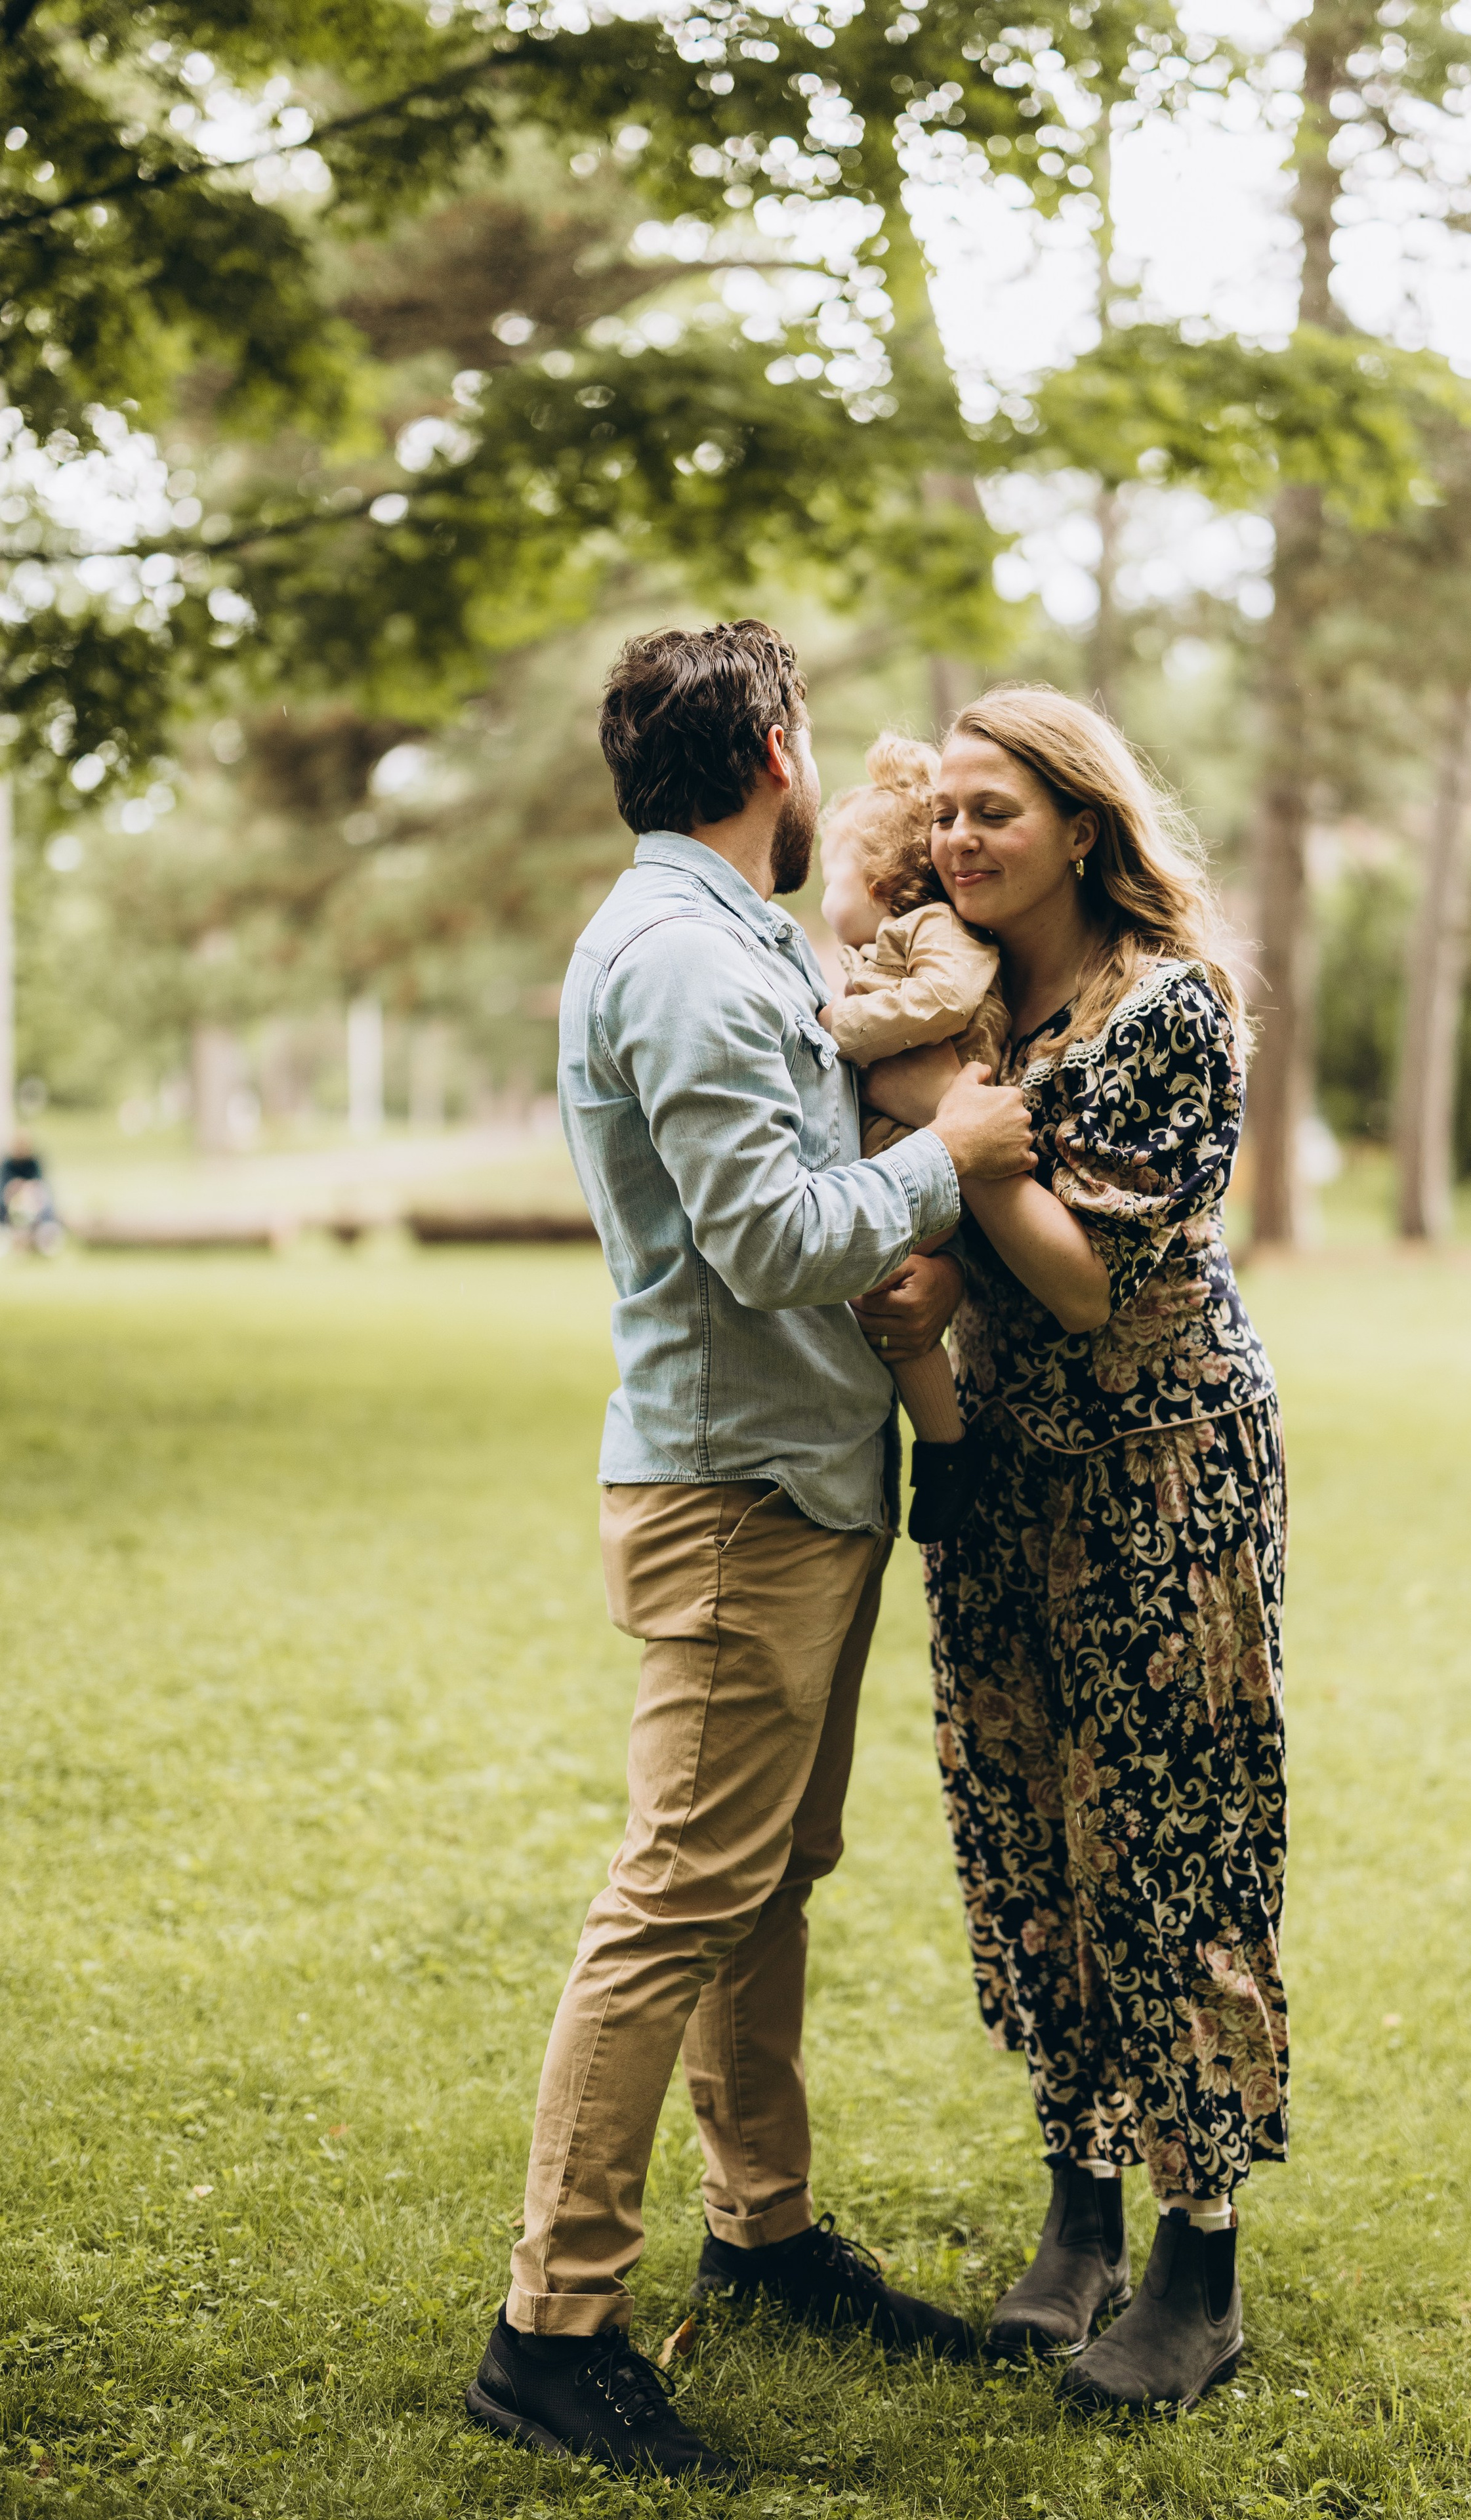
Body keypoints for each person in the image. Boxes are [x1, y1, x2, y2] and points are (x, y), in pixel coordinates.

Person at [465, 621, 1036, 2485]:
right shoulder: (684, 963)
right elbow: (771, 1236)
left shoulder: (729, 946)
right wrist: (951, 1151)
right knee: (676, 1895)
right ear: (780, 749)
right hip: (734, 1496)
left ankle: (765, 2229)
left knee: (766, 1876)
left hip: (803, 1474)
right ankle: (551, 2329)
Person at [864, 686, 1287, 2416]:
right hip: (998, 1471)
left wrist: (944, 1117)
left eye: (998, 813)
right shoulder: (956, 993)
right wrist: (939, 1095)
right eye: (946, 810)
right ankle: (1077, 2211)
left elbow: (1085, 1280)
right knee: (1025, 1829)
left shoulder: (1166, 1010)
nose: (958, 839)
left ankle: (1200, 2264)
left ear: (1086, 830)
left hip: (1165, 1470)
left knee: (1170, 1847)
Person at [816, 733, 1010, 1542]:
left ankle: (944, 1449)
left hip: (934, 1150)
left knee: (886, 1285)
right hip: (907, 1145)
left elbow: (945, 999)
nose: (822, 896)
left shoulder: (934, 928)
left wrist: (843, 1029)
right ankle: (938, 1449)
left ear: (879, 883)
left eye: (830, 876)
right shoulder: (876, 946)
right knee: (884, 1294)